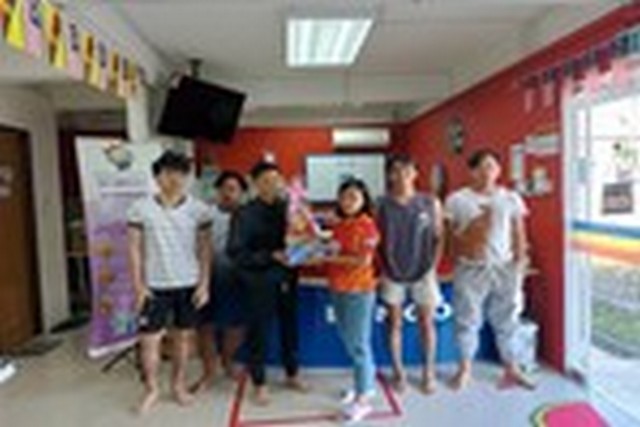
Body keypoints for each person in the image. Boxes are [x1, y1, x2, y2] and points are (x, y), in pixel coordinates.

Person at [127, 151, 212, 414]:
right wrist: (138, 286)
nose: (174, 178)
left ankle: (178, 385)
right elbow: (134, 249)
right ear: (157, 176)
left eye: (181, 173)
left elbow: (205, 250)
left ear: (187, 177)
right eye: (167, 172)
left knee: (183, 339)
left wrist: (204, 284)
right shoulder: (139, 209)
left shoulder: (199, 210)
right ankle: (152, 389)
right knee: (149, 340)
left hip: (188, 283)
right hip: (154, 286)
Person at [444, 149, 535, 391]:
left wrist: (520, 262)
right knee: (467, 320)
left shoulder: (510, 198)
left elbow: (518, 232)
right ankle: (464, 369)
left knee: (508, 319)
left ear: (499, 171)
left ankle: (512, 368)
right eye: (482, 167)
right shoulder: (457, 200)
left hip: (504, 267)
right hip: (470, 268)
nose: (488, 172)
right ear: (472, 171)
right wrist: (468, 239)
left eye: (492, 166)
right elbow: (449, 239)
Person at [227, 161, 307, 405]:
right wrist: (270, 256)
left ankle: (292, 373)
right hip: (258, 281)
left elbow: (301, 237)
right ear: (254, 184)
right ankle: (259, 382)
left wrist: (309, 242)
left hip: (287, 277)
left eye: (276, 180)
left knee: (290, 327)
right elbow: (235, 253)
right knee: (259, 331)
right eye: (266, 181)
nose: (272, 185)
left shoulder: (290, 209)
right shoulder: (243, 213)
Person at [377, 155, 444, 394]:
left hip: (424, 272)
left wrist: (433, 266)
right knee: (394, 323)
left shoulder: (430, 202)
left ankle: (429, 372)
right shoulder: (381, 204)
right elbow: (375, 239)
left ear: (415, 173)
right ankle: (399, 372)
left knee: (427, 323)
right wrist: (381, 268)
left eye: (407, 170)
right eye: (396, 170)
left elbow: (439, 237)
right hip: (392, 271)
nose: (402, 175)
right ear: (389, 175)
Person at [325, 178, 380, 424]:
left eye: (354, 197)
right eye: (344, 196)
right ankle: (364, 385)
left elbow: (362, 261)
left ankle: (363, 400)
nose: (348, 202)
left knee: (359, 345)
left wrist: (327, 257)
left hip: (359, 291)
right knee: (350, 341)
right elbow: (334, 249)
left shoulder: (367, 226)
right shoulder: (340, 225)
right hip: (338, 288)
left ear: (363, 201)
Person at [192, 171, 248, 393]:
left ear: (242, 193)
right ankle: (208, 371)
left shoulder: (249, 216)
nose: (228, 193)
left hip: (238, 278)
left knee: (236, 326)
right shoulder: (205, 215)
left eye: (234, 189)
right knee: (205, 326)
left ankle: (228, 362)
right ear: (217, 191)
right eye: (224, 188)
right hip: (208, 276)